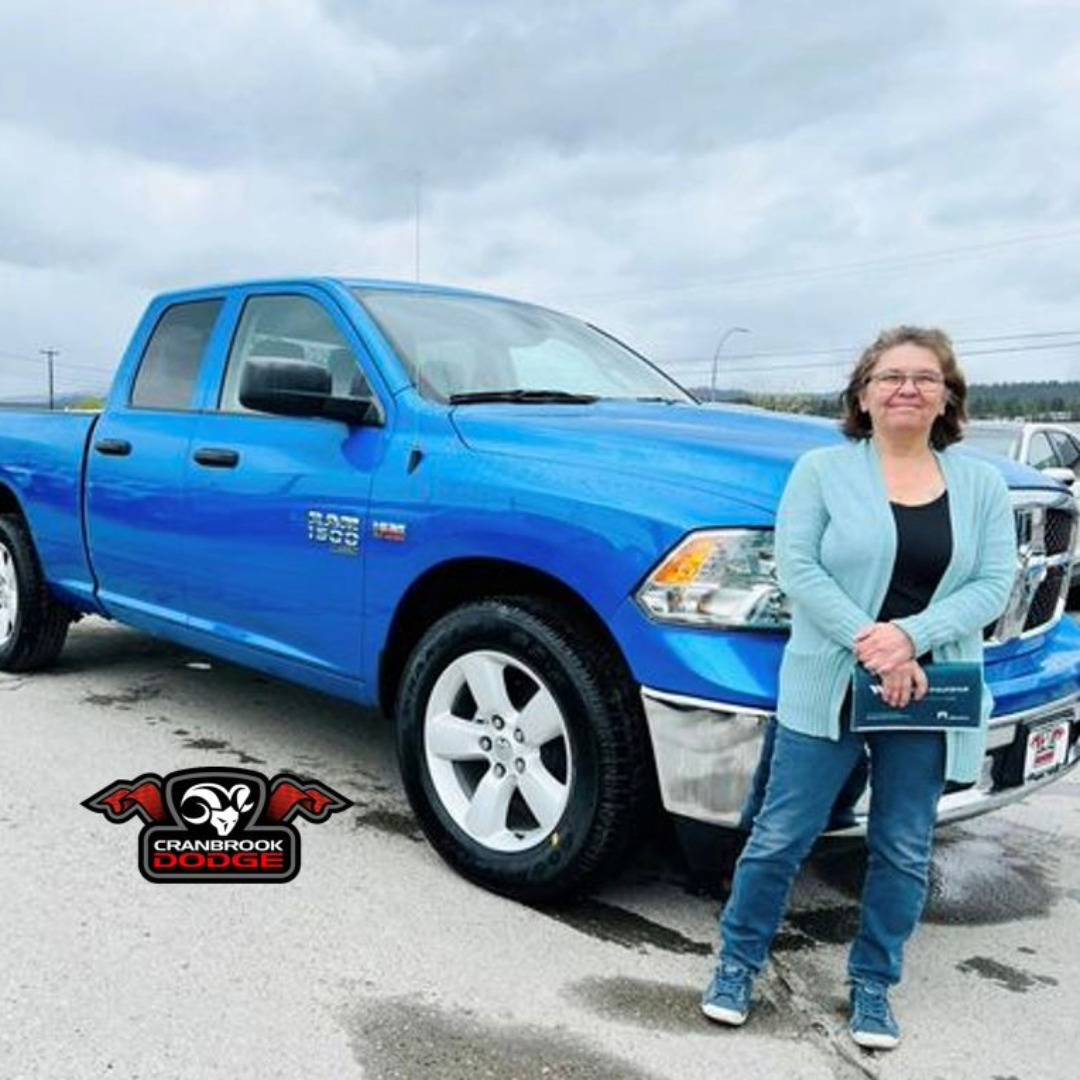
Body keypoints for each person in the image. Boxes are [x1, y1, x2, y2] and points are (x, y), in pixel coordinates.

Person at [701, 326, 1016, 1051]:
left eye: (925, 378)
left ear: (947, 397)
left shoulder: (981, 485)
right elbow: (798, 568)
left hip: (927, 689)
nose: (907, 388)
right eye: (891, 376)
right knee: (782, 835)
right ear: (864, 394)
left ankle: (873, 981)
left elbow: (993, 583)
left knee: (903, 846)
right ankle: (737, 963)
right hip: (830, 681)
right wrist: (873, 641)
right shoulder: (821, 470)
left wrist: (909, 638)